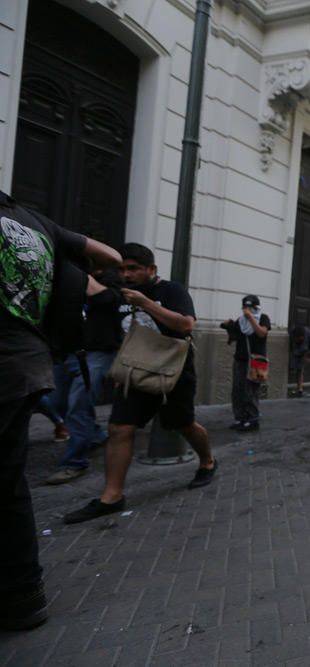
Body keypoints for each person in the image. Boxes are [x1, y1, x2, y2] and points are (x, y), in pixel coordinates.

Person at [0, 189, 121, 630]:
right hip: (30, 359)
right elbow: (107, 254)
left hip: (15, 359)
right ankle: (23, 595)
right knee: (9, 481)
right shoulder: (36, 222)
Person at [64, 243, 217, 524]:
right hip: (134, 372)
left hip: (173, 373)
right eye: (122, 269)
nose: (127, 274)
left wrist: (145, 303)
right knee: (119, 428)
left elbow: (185, 325)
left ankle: (207, 461)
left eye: (133, 268)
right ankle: (111, 496)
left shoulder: (171, 291)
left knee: (183, 424)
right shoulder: (117, 294)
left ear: (151, 269)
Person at [46, 265, 123, 484]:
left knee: (77, 404)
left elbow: (108, 299)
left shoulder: (110, 277)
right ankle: (95, 435)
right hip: (67, 349)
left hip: (97, 351)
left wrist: (77, 277)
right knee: (55, 402)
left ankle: (74, 462)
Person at [221, 295, 271, 432]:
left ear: (256, 307)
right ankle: (240, 418)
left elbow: (261, 333)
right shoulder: (241, 321)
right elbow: (234, 338)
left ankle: (253, 420)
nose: (246, 310)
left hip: (255, 361)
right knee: (237, 390)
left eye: (249, 307)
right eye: (244, 307)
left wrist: (251, 319)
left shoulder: (263, 318)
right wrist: (229, 327)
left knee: (250, 390)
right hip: (240, 359)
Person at [289, 325, 310, 398]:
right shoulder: (292, 332)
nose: (299, 339)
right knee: (295, 367)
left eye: (301, 338)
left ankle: (300, 390)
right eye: (298, 338)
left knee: (300, 369)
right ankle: (299, 389)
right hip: (295, 350)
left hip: (306, 350)